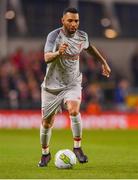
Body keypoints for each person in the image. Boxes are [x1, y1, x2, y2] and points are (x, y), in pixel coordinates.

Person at [38, 7, 111, 167]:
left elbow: (90, 47)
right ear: (62, 21)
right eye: (70, 20)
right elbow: (46, 57)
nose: (73, 24)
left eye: (76, 21)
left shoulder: (82, 36)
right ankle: (45, 154)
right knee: (47, 123)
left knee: (74, 110)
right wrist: (58, 53)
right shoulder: (54, 36)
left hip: (72, 83)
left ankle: (77, 147)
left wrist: (103, 62)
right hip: (52, 86)